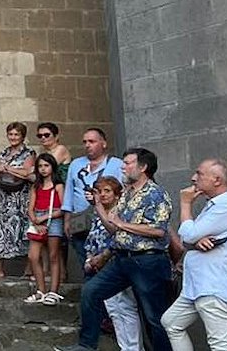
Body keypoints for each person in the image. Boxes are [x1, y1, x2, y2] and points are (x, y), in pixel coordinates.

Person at [62, 148, 174, 351]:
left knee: (154, 317)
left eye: (129, 163)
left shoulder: (156, 194)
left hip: (147, 261)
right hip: (122, 259)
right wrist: (98, 206)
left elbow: (159, 231)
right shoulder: (127, 193)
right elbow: (113, 228)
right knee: (91, 291)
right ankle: (87, 345)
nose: (123, 166)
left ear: (143, 167)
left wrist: (122, 224)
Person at [163, 159, 227, 351]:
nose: (193, 178)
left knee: (222, 346)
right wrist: (195, 241)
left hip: (215, 285)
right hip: (198, 285)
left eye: (199, 174)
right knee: (171, 322)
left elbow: (187, 233)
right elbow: (188, 238)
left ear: (216, 180)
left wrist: (185, 203)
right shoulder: (214, 204)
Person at [82, 176, 145, 351]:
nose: (102, 195)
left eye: (107, 191)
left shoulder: (121, 213)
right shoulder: (97, 215)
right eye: (99, 191)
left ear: (117, 194)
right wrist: (90, 260)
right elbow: (92, 241)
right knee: (114, 311)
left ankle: (134, 348)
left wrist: (103, 257)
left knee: (126, 308)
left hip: (119, 264)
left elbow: (119, 239)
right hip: (101, 269)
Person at [62, 129, 126, 267]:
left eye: (92, 141)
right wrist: (67, 220)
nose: (87, 145)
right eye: (85, 142)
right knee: (85, 264)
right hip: (80, 222)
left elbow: (124, 193)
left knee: (107, 264)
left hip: (106, 222)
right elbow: (69, 193)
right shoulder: (76, 164)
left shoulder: (117, 164)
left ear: (103, 143)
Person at [0, 122, 36, 279]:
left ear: (22, 136)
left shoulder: (28, 153)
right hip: (4, 200)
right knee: (1, 231)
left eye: (16, 134)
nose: (13, 137)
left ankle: (29, 268)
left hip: (20, 200)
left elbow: (28, 173)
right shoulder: (4, 153)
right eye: (11, 134)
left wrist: (8, 168)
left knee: (23, 232)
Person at [25, 153, 66, 305]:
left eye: (46, 166)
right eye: (40, 166)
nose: (43, 169)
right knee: (33, 256)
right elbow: (30, 208)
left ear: (52, 167)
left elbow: (63, 208)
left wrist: (44, 219)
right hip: (37, 218)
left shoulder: (58, 186)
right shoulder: (36, 186)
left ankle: (54, 291)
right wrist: (36, 222)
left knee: (53, 255)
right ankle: (41, 290)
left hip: (53, 218)